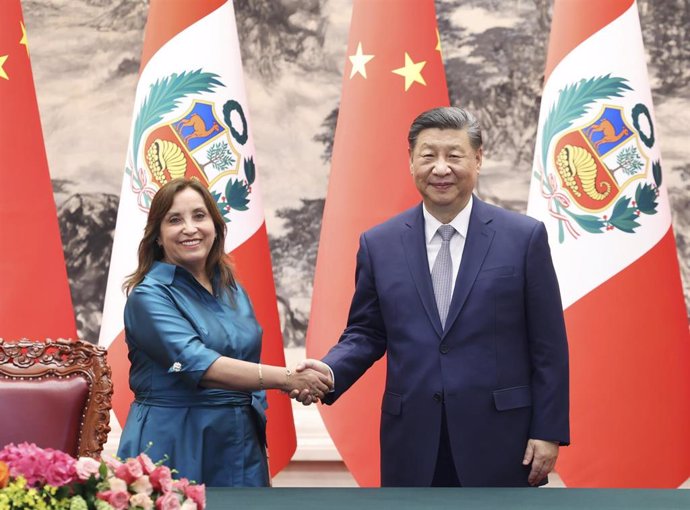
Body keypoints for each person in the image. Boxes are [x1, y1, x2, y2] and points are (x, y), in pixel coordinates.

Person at [294, 106, 569, 487]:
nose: (441, 168)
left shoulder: (523, 238)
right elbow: (366, 333)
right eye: (428, 156)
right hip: (412, 439)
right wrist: (328, 371)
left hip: (502, 438)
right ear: (410, 162)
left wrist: (548, 431)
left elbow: (548, 345)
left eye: (454, 156)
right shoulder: (379, 244)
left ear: (478, 159)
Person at [117, 178, 331, 487]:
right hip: (174, 441)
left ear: (215, 226)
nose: (190, 228)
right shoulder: (149, 297)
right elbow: (196, 363)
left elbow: (247, 356)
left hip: (239, 440)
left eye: (199, 216)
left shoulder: (233, 290)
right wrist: (289, 379)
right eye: (175, 220)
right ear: (158, 237)